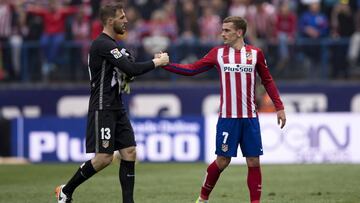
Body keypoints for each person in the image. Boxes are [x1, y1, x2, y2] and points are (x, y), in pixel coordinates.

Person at [161, 16, 286, 203]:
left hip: (250, 118)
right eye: (222, 29)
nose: (222, 33)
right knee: (222, 161)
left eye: (227, 30)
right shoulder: (217, 54)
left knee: (253, 161)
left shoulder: (255, 54)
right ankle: (203, 198)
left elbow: (267, 80)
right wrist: (167, 65)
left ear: (239, 32)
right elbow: (192, 69)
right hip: (228, 118)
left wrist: (279, 107)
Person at [55, 2, 169, 203]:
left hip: (117, 105)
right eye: (122, 17)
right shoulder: (103, 44)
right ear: (110, 20)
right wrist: (157, 62)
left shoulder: (113, 45)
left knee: (129, 151)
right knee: (104, 158)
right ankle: (66, 190)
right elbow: (131, 69)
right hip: (103, 106)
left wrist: (130, 70)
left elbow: (126, 71)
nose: (126, 21)